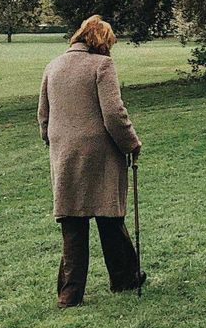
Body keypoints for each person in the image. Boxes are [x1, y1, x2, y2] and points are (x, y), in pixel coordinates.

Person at [38, 15, 144, 307]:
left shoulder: (53, 65)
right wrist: (131, 143)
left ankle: (70, 294)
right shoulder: (102, 66)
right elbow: (114, 113)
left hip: (64, 153)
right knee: (109, 216)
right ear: (100, 42)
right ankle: (124, 278)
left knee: (72, 221)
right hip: (100, 153)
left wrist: (54, 142)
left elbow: (43, 115)